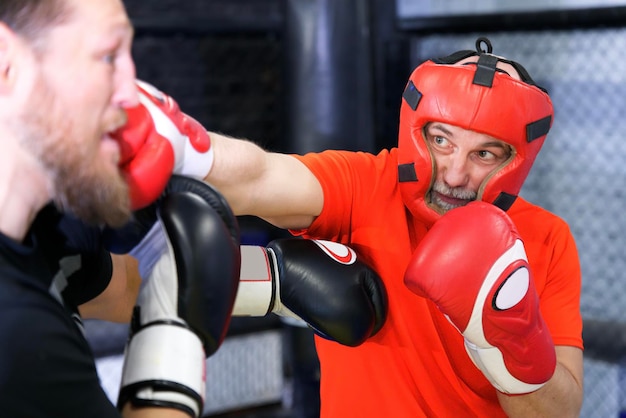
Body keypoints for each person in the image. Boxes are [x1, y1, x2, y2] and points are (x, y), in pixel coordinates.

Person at [185, 37, 582, 417]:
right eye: (442, 141)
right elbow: (256, 176)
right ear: (418, 131)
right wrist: (174, 147)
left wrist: (510, 340)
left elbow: (559, 411)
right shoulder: (367, 186)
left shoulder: (547, 238)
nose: (456, 174)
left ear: (515, 162)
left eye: (483, 153)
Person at [0, 0, 242, 417]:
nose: (132, 92)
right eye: (108, 56)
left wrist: (273, 280)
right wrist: (172, 342)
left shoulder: (43, 235)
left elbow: (129, 288)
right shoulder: (16, 332)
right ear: (7, 63)